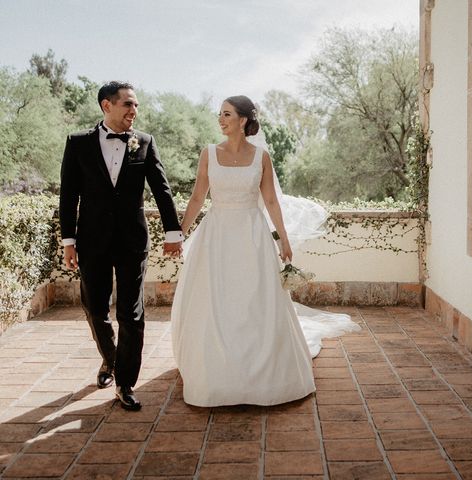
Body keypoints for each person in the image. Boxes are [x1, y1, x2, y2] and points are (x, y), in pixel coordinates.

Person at [171, 95, 359, 407]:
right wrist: (179, 234)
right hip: (216, 236)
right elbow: (196, 199)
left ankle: (259, 372)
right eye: (220, 114)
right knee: (217, 298)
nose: (221, 119)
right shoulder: (209, 154)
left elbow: (271, 201)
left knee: (252, 298)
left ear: (243, 120)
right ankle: (217, 369)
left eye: (227, 114)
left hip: (252, 235)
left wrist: (283, 239)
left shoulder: (261, 157)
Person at [59, 81, 183, 411]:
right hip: (92, 241)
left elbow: (162, 188)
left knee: (131, 312)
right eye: (128, 104)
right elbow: (69, 194)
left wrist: (173, 232)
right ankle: (110, 360)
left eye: (136, 105)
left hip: (132, 241)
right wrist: (68, 241)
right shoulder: (78, 143)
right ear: (106, 106)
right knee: (95, 308)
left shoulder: (144, 142)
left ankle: (125, 382)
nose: (134, 111)